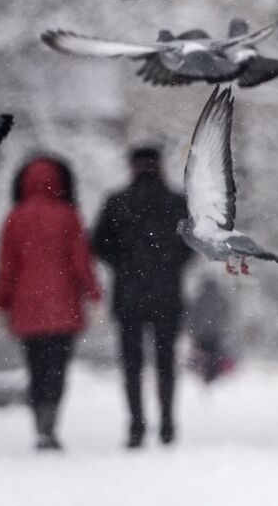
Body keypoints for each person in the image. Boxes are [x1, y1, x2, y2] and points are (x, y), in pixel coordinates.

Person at [0, 155, 102, 451]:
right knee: (57, 369)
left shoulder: (15, 217)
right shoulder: (68, 215)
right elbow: (82, 263)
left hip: (26, 308)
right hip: (64, 307)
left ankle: (40, 425)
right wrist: (93, 296)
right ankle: (50, 425)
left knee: (36, 368)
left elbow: (7, 268)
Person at [91, 146, 193, 448]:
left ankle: (137, 425)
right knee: (165, 363)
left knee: (132, 364)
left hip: (129, 296)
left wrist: (124, 266)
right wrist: (170, 267)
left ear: (132, 167)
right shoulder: (178, 203)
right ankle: (167, 424)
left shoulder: (117, 202)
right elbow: (192, 244)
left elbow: (98, 244)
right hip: (167, 295)